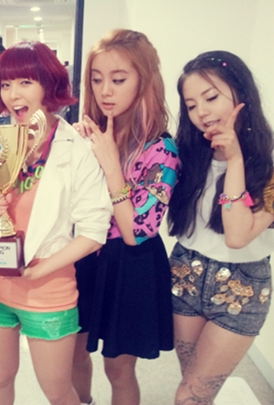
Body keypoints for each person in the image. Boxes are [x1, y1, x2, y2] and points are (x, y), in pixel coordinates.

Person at [0, 41, 113, 405]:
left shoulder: (76, 149)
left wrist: (39, 270)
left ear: (48, 84)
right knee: (0, 379)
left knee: (58, 390)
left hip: (48, 287)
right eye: (5, 84)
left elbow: (94, 231)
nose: (13, 94)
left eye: (25, 82)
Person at [72, 29, 179, 405]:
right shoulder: (87, 135)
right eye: (96, 79)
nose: (105, 91)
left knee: (118, 369)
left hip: (131, 264)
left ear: (143, 80)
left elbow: (137, 230)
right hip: (84, 254)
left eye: (118, 80)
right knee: (72, 352)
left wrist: (110, 164)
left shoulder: (162, 149)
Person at [167, 51, 273, 405]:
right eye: (191, 105)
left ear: (241, 92)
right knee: (193, 385)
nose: (202, 113)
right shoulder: (188, 153)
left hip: (241, 290)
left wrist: (235, 159)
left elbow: (238, 236)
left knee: (190, 396)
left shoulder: (270, 165)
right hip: (184, 274)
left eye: (211, 98)